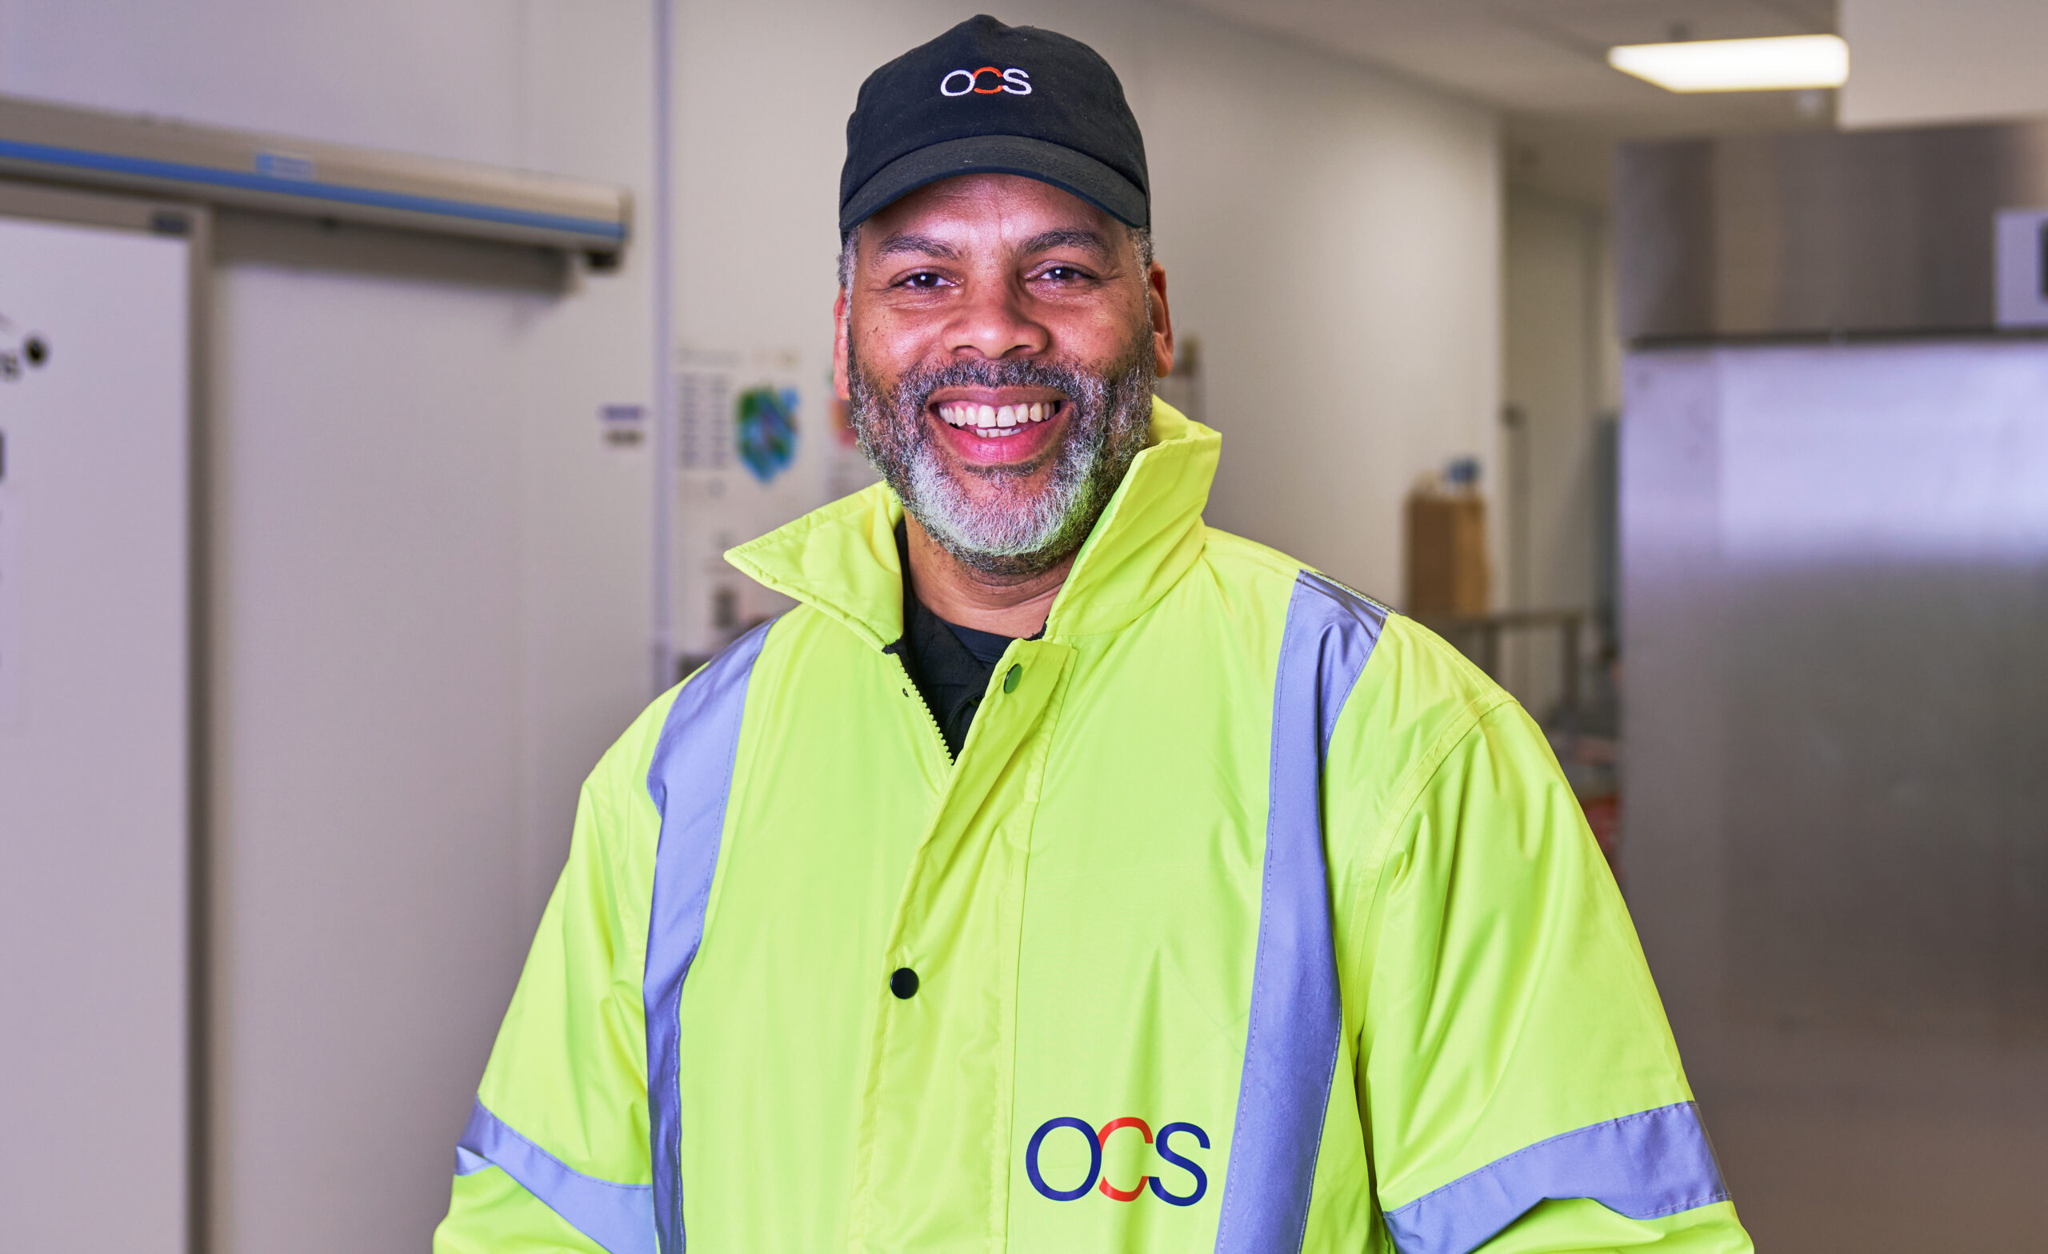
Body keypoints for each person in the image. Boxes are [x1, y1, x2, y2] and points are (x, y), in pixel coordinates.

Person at [433, 15, 1753, 1253]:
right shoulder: (679, 782)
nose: (994, 330)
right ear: (847, 341)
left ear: (1156, 314)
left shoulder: (1391, 740)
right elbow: (536, 1222)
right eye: (923, 275)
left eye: (1058, 269)